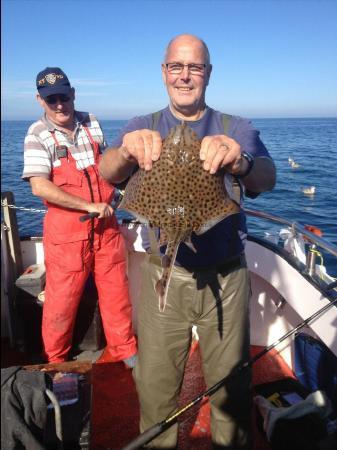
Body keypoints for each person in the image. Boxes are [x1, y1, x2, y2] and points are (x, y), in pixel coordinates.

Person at [99, 34, 276, 449]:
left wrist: (240, 160)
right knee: (156, 387)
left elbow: (266, 178)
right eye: (176, 66)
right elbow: (109, 171)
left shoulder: (237, 127)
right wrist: (126, 152)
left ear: (208, 74)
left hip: (226, 279)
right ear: (164, 72)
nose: (184, 75)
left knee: (231, 390)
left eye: (194, 67)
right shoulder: (141, 125)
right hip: (165, 274)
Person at [22, 67, 137, 367]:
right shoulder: (37, 134)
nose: (59, 105)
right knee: (61, 303)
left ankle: (126, 354)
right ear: (40, 100)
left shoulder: (92, 123)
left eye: (63, 96)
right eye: (51, 100)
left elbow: (109, 168)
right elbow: (39, 185)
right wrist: (88, 206)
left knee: (117, 296)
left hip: (107, 228)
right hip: (66, 235)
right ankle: (56, 362)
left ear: (73, 94)